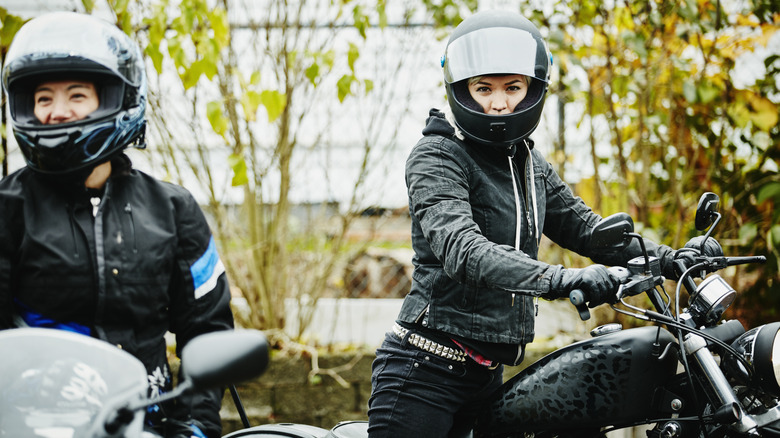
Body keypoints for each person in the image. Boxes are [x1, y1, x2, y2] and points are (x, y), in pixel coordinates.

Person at [367, 10, 701, 437]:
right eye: (483, 88)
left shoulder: (528, 164)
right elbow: (464, 250)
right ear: (462, 91)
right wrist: (562, 279)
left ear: (532, 90)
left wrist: (675, 258)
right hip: (423, 375)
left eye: (513, 87)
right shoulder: (437, 156)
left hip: (485, 377)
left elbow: (590, 232)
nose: (499, 103)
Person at [0, 12, 234, 438]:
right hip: (33, 425)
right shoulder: (6, 209)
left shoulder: (173, 208)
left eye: (76, 96)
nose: (56, 112)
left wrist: (197, 426)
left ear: (112, 99)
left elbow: (207, 331)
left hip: (146, 420)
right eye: (43, 99)